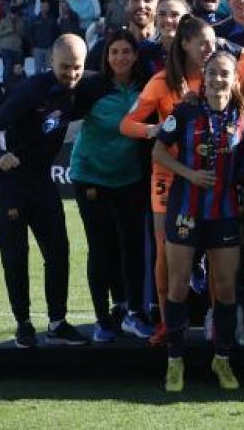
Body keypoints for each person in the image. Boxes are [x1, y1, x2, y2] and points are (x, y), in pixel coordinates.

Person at [153, 49, 244, 391]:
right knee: (177, 286)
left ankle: (221, 359)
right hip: (186, 212)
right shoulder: (186, 110)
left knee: (224, 289)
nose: (218, 79)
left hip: (224, 214)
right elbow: (159, 150)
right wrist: (188, 174)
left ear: (235, 78)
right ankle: (174, 361)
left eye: (225, 73)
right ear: (203, 78)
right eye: (212, 73)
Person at [0, 34, 103, 348]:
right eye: (65, 67)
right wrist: (1, 156)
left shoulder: (85, 87)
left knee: (58, 251)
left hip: (40, 181)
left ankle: (57, 322)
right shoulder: (30, 91)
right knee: (16, 255)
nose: (71, 74)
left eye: (77, 67)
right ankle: (23, 324)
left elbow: (116, 79)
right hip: (7, 181)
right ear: (51, 61)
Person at [119, 15, 213, 344]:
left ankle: (216, 320)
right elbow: (127, 124)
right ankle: (167, 323)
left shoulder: (219, 76)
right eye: (202, 43)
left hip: (209, 175)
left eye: (213, 43)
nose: (209, 49)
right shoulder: (161, 81)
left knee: (215, 247)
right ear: (184, 45)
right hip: (168, 175)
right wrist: (154, 129)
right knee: (163, 252)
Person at [69, 31, 155, 342]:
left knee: (132, 247)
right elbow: (62, 113)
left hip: (129, 178)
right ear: (106, 57)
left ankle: (134, 312)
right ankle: (102, 319)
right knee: (101, 247)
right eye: (114, 51)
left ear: (135, 55)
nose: (120, 57)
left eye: (126, 51)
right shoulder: (92, 86)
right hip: (91, 177)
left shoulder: (146, 85)